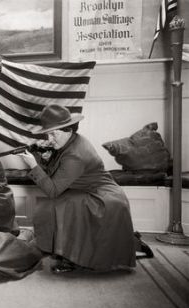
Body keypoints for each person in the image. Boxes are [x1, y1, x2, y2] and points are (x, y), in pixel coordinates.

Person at [18, 104, 152, 273]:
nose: (49, 138)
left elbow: (53, 190)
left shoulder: (75, 154)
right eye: (48, 133)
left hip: (103, 199)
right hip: (92, 191)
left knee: (56, 206)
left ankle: (70, 258)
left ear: (68, 129)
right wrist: (46, 159)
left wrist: (33, 166)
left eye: (53, 133)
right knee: (53, 207)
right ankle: (130, 241)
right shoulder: (71, 141)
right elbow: (61, 172)